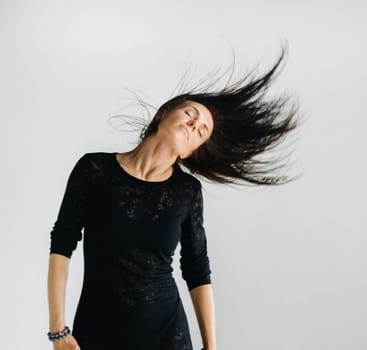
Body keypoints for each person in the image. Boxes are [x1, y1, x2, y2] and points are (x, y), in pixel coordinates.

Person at [47, 42, 302, 350]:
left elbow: (197, 268)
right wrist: (57, 330)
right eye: (190, 114)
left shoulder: (186, 192)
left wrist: (211, 346)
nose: (194, 124)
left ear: (193, 151)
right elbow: (62, 244)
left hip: (167, 335)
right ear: (165, 114)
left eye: (202, 130)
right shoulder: (94, 170)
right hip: (96, 332)